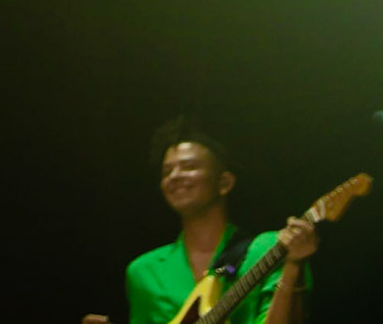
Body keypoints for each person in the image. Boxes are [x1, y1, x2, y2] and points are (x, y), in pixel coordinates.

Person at [84, 119, 316, 324]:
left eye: (189, 167)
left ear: (224, 183)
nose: (175, 176)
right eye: (167, 172)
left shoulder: (269, 248)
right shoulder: (143, 271)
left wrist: (293, 266)